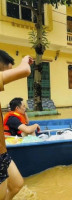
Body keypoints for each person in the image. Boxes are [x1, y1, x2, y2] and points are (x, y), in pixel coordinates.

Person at [0, 49, 33, 200]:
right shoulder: (13, 118)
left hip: (2, 152)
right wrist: (25, 60)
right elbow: (25, 70)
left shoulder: (18, 114)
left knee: (17, 184)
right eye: (9, 69)